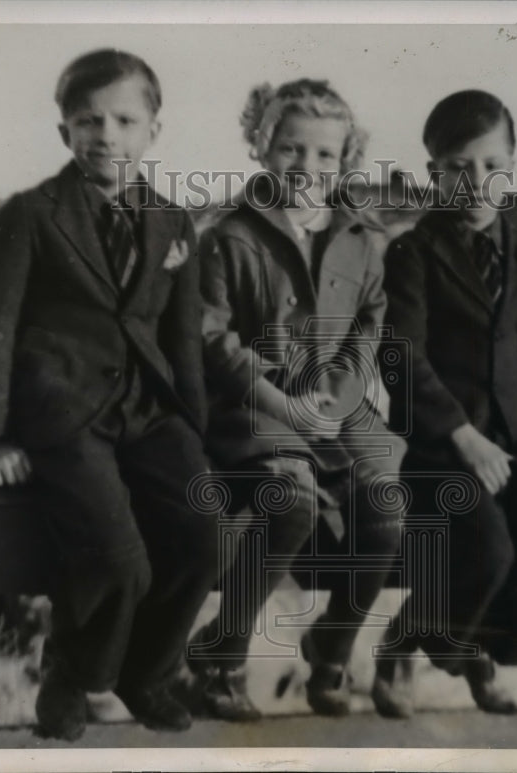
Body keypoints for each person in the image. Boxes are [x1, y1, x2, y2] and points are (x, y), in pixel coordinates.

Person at [0, 48, 219, 740]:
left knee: (205, 534)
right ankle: (71, 671)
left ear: (152, 131)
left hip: (149, 410)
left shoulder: (174, 224)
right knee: (116, 559)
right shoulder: (30, 215)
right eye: (87, 120)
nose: (106, 133)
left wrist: (192, 429)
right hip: (65, 414)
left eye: (124, 119)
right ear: (64, 133)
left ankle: (150, 671)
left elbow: (183, 337)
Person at [191, 78, 405, 720]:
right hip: (253, 404)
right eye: (290, 149)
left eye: (324, 156)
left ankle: (333, 647)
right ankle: (222, 654)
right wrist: (282, 406)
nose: (306, 168)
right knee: (293, 498)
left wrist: (335, 402)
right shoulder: (229, 236)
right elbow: (212, 337)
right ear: (261, 146)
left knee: (387, 500)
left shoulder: (364, 239)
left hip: (335, 406)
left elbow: (368, 325)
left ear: (346, 162)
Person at [375, 90, 517, 718]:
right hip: (443, 448)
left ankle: (475, 648)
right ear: (434, 171)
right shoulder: (413, 253)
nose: (476, 182)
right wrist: (460, 434)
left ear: (511, 166)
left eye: (492, 165)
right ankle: (403, 643)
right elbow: (399, 356)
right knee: (488, 550)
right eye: (459, 166)